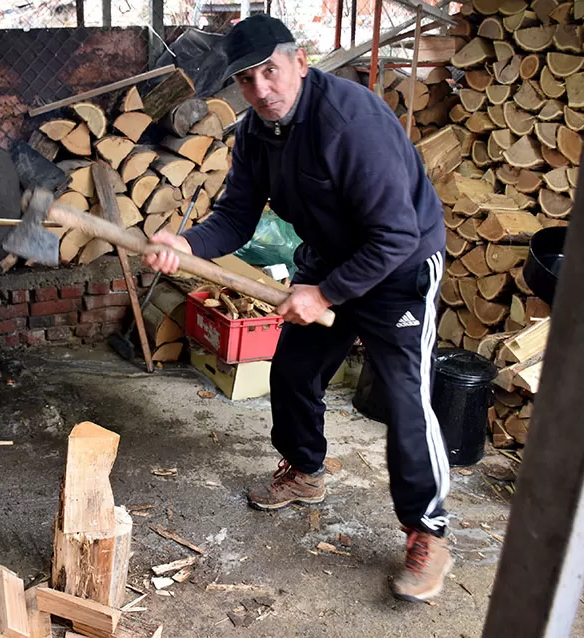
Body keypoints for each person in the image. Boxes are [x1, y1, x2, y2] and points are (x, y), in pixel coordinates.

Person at [142, 14, 451, 603]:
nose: (261, 89)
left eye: (271, 72)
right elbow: (235, 216)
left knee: (405, 398)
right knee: (292, 369)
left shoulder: (350, 121)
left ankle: (427, 531)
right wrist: (186, 245)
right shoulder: (256, 130)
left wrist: (325, 293)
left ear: (300, 63)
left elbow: (394, 234)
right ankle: (306, 472)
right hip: (330, 260)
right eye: (248, 80)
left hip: (401, 266)